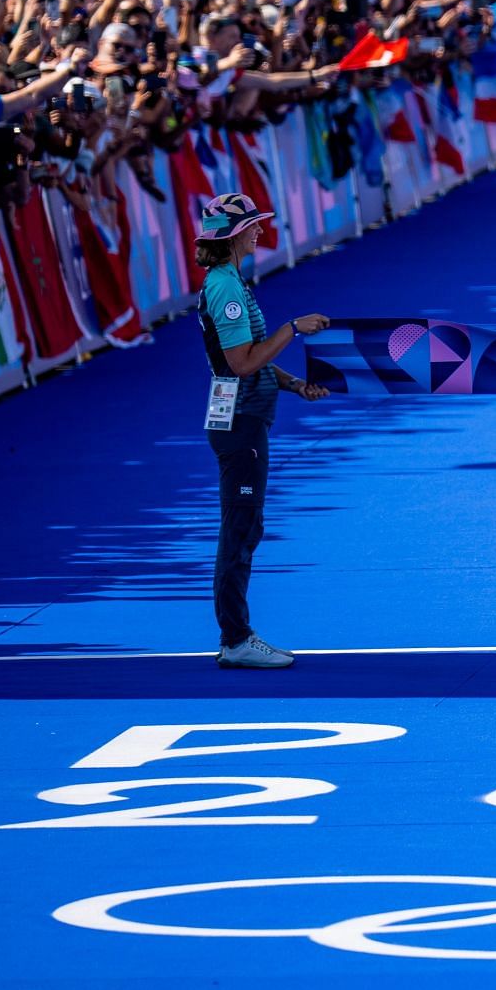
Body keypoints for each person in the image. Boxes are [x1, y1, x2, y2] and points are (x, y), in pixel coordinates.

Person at [194, 193, 332, 670]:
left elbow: (249, 362)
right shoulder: (226, 288)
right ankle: (235, 639)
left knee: (245, 524)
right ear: (233, 235)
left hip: (239, 416)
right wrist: (293, 328)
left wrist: (294, 384)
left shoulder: (231, 281)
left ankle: (236, 635)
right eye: (253, 226)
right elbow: (243, 361)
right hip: (239, 422)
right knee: (240, 525)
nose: (260, 232)